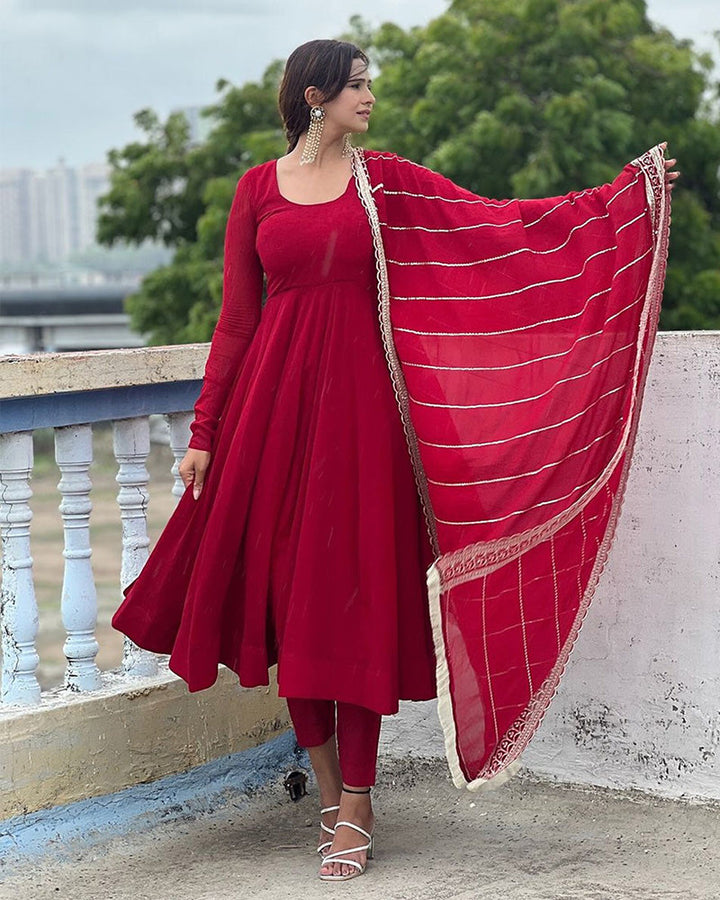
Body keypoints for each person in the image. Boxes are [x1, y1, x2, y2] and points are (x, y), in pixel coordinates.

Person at [112, 38, 678, 883]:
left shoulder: (388, 185)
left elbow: (502, 227)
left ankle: (359, 802)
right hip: (272, 416)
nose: (370, 95)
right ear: (315, 97)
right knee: (285, 597)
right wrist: (204, 431)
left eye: (369, 83)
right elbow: (237, 320)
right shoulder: (256, 192)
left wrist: (624, 201)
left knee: (356, 596)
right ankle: (331, 785)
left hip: (365, 418)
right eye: (357, 85)